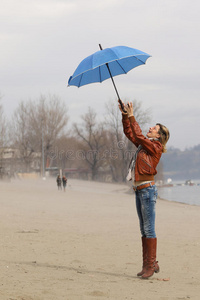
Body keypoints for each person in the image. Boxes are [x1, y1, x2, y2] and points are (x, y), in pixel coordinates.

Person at [119, 100, 170, 279]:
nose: (151, 128)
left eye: (154, 128)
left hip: (148, 190)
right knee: (143, 229)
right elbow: (130, 133)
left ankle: (150, 265)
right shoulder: (144, 145)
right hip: (140, 190)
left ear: (160, 136)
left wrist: (133, 115)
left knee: (149, 229)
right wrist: (125, 115)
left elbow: (139, 135)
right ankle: (148, 264)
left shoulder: (154, 147)